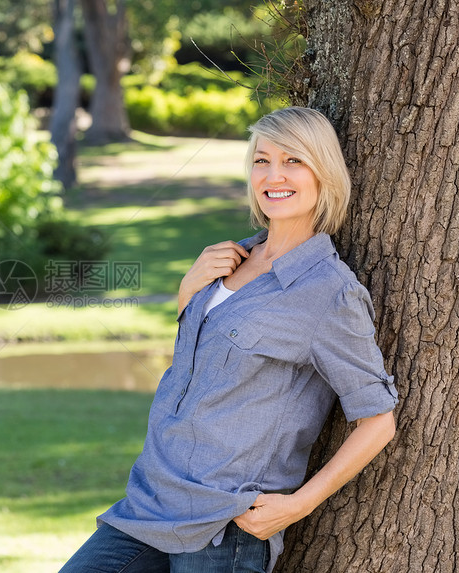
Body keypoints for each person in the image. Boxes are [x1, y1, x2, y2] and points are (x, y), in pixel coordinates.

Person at [58, 106, 399, 573]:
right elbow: (197, 371)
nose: (273, 174)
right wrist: (187, 294)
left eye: (293, 161)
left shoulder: (329, 292)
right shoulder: (229, 259)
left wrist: (298, 504)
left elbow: (378, 421)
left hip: (225, 527)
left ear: (324, 171)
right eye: (262, 160)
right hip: (149, 504)